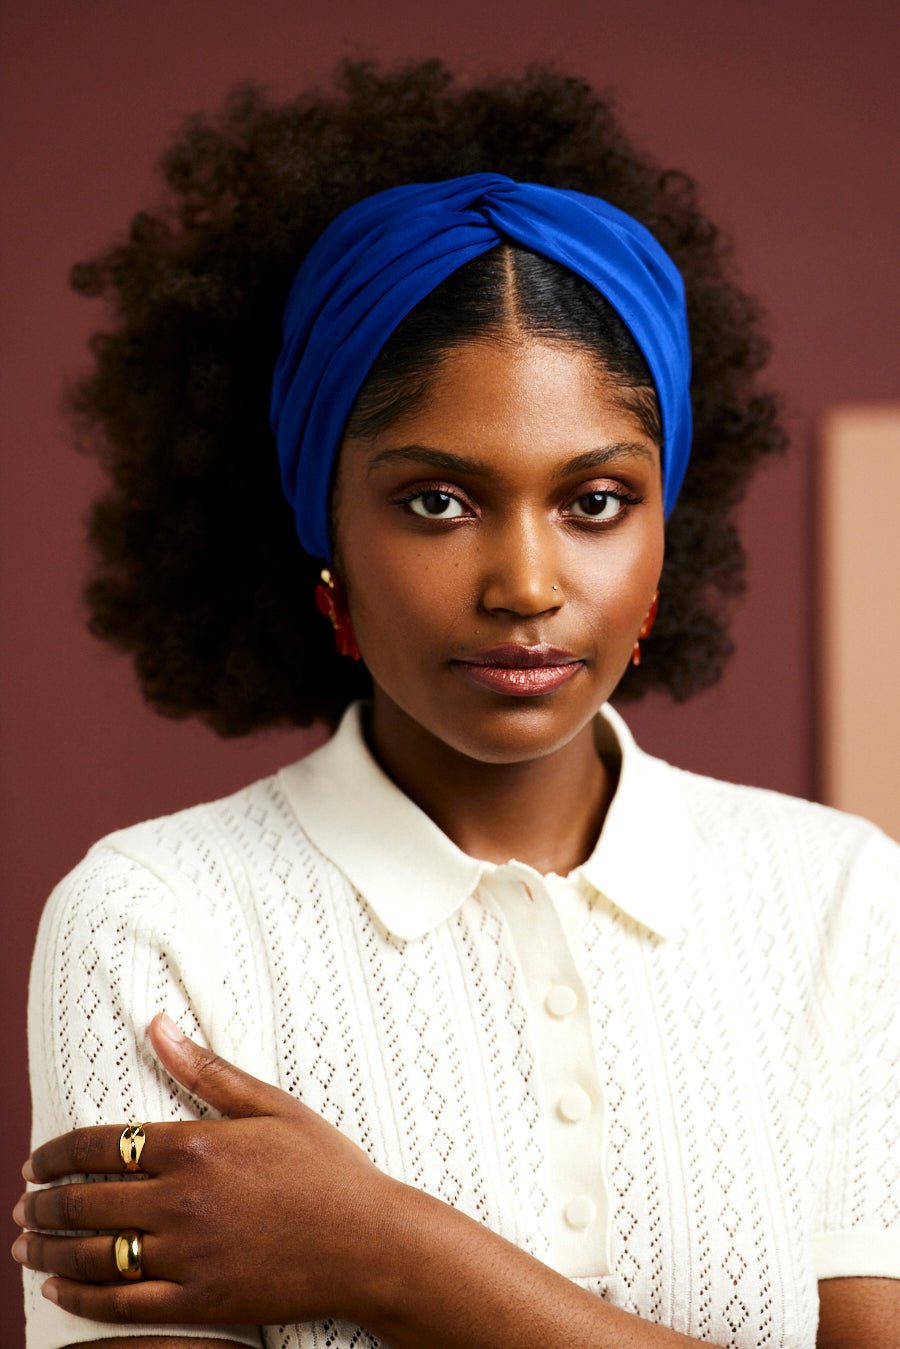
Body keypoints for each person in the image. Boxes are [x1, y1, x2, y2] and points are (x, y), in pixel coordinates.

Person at [12, 60, 899, 1349]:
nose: (527, 586)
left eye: (596, 501)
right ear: (325, 521)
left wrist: (389, 1251)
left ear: (667, 525)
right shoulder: (153, 921)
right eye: (437, 500)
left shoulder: (840, 898)